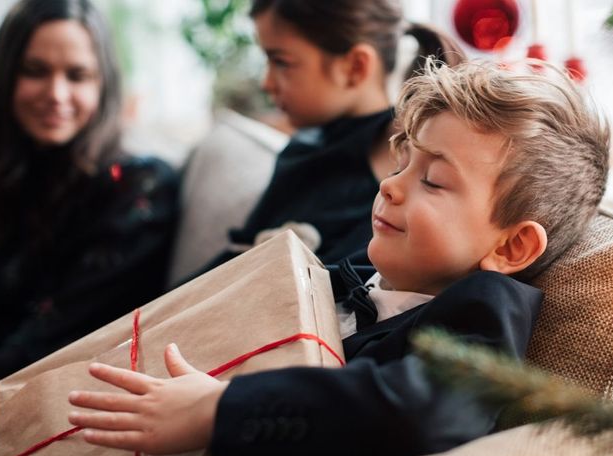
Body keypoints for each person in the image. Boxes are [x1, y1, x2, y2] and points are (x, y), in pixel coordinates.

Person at [68, 59, 610, 456]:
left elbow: (427, 411)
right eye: (403, 161)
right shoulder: (354, 267)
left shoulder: (484, 308)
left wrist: (221, 408)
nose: (391, 187)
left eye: (434, 180)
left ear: (511, 247)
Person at [0, 0, 178, 443]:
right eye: (35, 70)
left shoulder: (141, 188)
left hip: (35, 411)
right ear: (6, 77)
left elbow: (51, 345)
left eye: (77, 75)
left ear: (103, 86)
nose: (56, 93)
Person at [196, 0, 464, 274]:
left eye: (281, 62)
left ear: (355, 67)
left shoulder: (391, 182)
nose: (267, 83)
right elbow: (241, 256)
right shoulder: (304, 149)